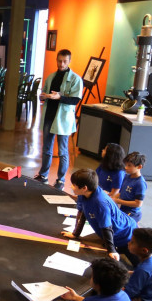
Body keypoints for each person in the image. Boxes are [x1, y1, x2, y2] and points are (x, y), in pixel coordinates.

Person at [34, 49, 83, 191]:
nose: (61, 64)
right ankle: (43, 175)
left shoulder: (75, 79)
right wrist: (43, 96)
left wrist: (59, 97)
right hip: (49, 116)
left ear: (69, 61)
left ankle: (61, 180)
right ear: (56, 60)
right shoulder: (51, 77)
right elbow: (45, 94)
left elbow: (75, 100)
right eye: (59, 61)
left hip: (63, 119)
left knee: (62, 150)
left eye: (64, 61)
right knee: (47, 148)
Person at [63, 168, 136, 262]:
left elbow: (106, 227)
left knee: (136, 262)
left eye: (74, 185)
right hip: (113, 234)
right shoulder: (83, 194)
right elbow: (83, 213)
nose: (71, 187)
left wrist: (111, 250)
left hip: (125, 234)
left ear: (84, 188)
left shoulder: (100, 203)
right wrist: (75, 234)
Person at [114, 152, 147, 223]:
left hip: (132, 213)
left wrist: (118, 201)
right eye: (126, 165)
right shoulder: (126, 177)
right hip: (123, 209)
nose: (126, 167)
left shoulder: (140, 183)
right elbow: (121, 193)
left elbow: (138, 203)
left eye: (129, 165)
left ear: (139, 167)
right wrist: (111, 199)